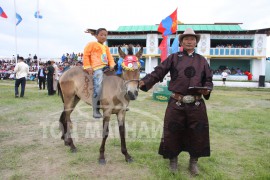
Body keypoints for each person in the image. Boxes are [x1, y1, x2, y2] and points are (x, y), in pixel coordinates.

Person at [139, 28, 213, 176]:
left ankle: (193, 163)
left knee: (197, 132)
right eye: (186, 39)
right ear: (181, 42)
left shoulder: (202, 60)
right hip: (176, 103)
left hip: (196, 104)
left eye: (192, 39)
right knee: (172, 131)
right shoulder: (173, 57)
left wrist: (207, 90)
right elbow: (158, 72)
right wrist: (144, 82)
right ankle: (173, 162)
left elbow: (208, 80)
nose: (189, 41)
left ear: (196, 42)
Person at [83, 28, 115, 118]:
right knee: (98, 86)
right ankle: (95, 109)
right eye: (101, 35)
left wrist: (112, 64)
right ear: (96, 36)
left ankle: (118, 103)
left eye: (105, 35)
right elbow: (86, 55)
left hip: (106, 67)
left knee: (118, 80)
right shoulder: (91, 44)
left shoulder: (106, 47)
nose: (103, 36)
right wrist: (88, 67)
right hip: (97, 68)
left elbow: (110, 58)